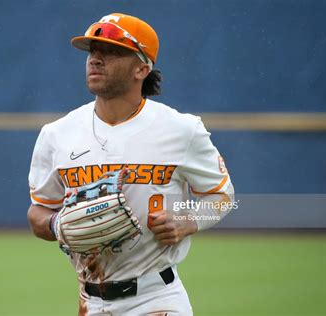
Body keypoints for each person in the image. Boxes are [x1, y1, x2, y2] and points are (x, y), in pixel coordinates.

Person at [27, 13, 234, 315]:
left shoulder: (181, 130)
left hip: (158, 298)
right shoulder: (56, 134)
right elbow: (38, 211)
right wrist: (56, 224)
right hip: (91, 302)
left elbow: (223, 196)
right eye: (92, 51)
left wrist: (187, 219)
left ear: (142, 68)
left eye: (111, 51)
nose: (95, 59)